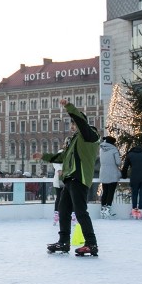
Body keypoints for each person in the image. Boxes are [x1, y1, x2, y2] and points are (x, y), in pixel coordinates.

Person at [33, 99, 101, 257]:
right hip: (70, 179)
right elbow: (62, 157)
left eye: (73, 124)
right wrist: (43, 156)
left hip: (80, 178)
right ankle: (63, 242)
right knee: (63, 210)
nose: (71, 127)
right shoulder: (74, 140)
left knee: (80, 211)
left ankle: (91, 243)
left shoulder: (89, 135)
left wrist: (69, 107)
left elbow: (81, 122)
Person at [121, 144, 142, 219]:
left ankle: (134, 210)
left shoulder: (130, 155)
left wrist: (124, 176)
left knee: (134, 193)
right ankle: (140, 211)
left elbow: (125, 167)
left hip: (134, 176)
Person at [98, 136, 122, 219]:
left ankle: (103, 210)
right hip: (112, 173)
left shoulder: (101, 149)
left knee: (105, 191)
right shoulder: (114, 150)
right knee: (111, 192)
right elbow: (118, 162)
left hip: (103, 172)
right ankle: (108, 209)